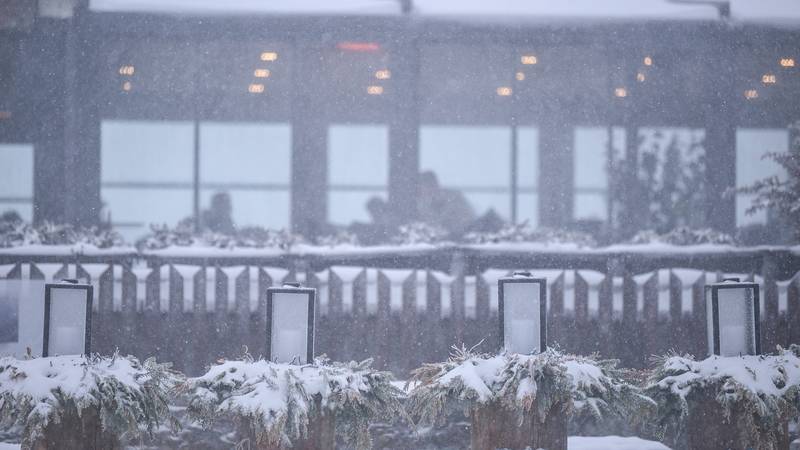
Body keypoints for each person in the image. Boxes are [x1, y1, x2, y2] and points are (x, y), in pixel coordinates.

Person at [417, 171, 475, 238]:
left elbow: (468, 219)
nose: (427, 190)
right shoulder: (419, 206)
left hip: (461, 238)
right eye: (423, 187)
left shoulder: (454, 198)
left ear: (436, 185)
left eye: (430, 186)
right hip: (432, 241)